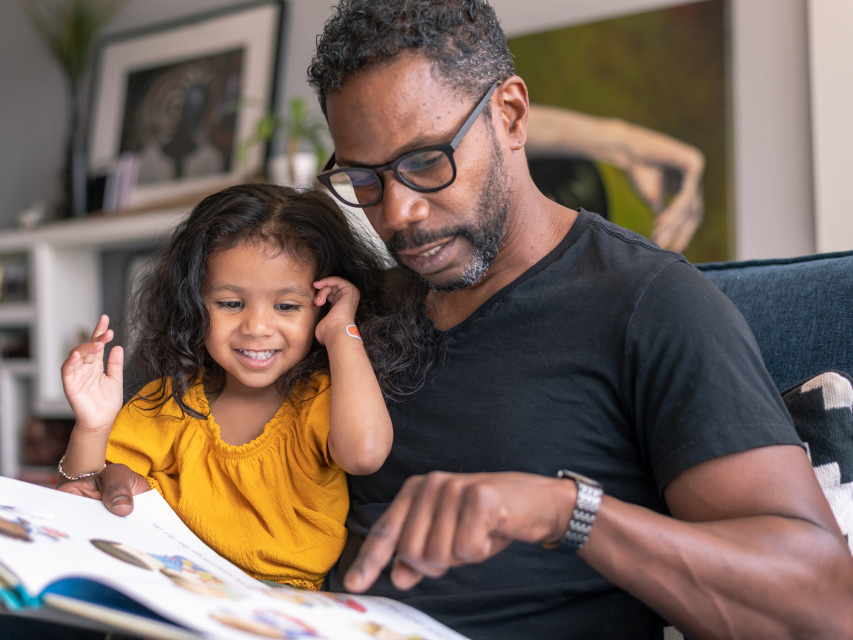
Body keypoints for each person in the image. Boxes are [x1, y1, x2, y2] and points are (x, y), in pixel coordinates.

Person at [56, 3, 853, 640]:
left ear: (509, 114)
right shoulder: (359, 302)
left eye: (427, 161)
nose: (398, 214)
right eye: (363, 179)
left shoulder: (649, 306)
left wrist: (563, 511)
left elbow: (823, 607)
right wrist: (131, 490)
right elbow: (228, 447)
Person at [57, 183, 434, 591]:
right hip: (173, 584)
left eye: (287, 306)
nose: (256, 327)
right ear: (194, 305)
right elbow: (79, 496)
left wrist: (343, 331)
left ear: (322, 306)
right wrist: (93, 426)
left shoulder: (321, 399)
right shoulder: (169, 402)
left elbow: (364, 455)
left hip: (282, 604)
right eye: (231, 304)